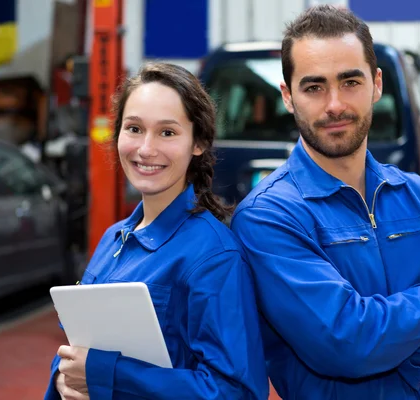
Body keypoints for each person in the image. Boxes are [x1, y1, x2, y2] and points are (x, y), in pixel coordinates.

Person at [230, 6, 420, 399]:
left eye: (350, 82)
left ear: (376, 85)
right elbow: (345, 344)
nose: (334, 105)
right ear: (288, 96)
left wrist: (387, 353)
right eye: (314, 87)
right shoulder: (269, 217)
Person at [44, 62, 269, 400]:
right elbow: (80, 350)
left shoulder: (214, 256)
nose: (146, 149)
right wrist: (64, 378)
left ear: (199, 143)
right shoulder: (113, 239)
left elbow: (237, 392)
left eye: (167, 132)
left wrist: (107, 374)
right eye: (134, 129)